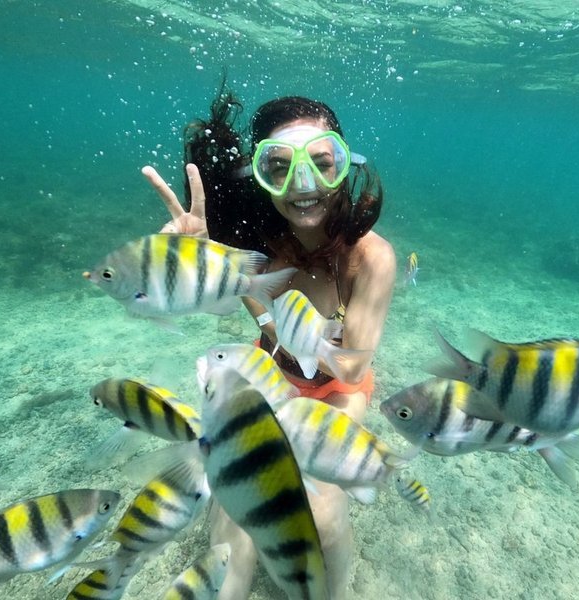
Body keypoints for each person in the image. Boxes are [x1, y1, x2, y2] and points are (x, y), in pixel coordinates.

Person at [142, 85, 396, 599]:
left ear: (344, 167)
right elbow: (250, 323)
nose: (304, 183)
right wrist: (207, 259)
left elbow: (348, 371)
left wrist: (308, 343)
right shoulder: (253, 238)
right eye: (279, 167)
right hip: (267, 374)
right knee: (238, 515)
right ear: (261, 176)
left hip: (338, 390)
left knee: (321, 512)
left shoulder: (372, 259)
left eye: (322, 163)